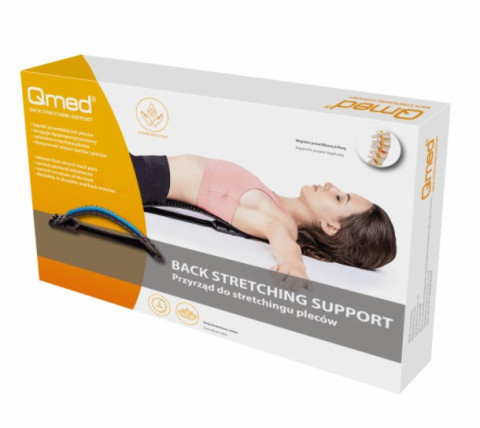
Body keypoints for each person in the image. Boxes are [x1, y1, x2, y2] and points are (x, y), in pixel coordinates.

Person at [130, 154, 396, 280]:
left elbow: (285, 244)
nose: (331, 185)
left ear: (330, 226)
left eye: (339, 198)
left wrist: (294, 266)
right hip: (142, 172)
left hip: (141, 177)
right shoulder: (275, 203)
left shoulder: (281, 222)